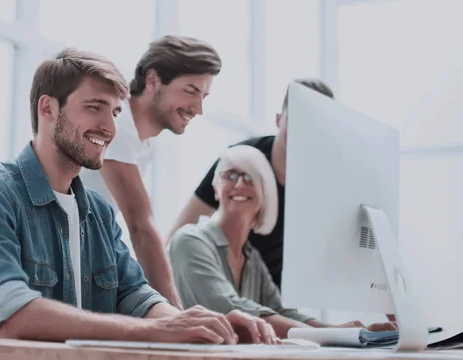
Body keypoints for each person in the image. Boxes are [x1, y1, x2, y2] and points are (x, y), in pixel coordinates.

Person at [0, 49, 276, 360]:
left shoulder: (97, 213)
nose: (110, 127)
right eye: (94, 107)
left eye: (115, 112)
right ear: (48, 108)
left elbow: (137, 298)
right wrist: (158, 330)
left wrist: (203, 326)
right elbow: (10, 316)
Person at [168, 145, 397, 338]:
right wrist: (327, 335)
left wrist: (346, 333)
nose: (238, 185)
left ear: (265, 193)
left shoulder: (252, 258)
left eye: (249, 177)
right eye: (230, 176)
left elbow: (281, 311)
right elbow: (227, 306)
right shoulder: (189, 241)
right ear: (216, 189)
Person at [80, 35, 222, 308]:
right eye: (191, 90)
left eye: (204, 96)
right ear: (153, 80)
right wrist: (179, 317)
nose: (199, 108)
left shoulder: (142, 143)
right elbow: (140, 226)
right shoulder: (117, 127)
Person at [168, 79, 333, 291]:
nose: (304, 131)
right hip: (222, 282)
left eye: (315, 123)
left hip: (273, 292)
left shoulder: (324, 180)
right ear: (278, 120)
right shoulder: (239, 161)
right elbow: (180, 231)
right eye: (297, 119)